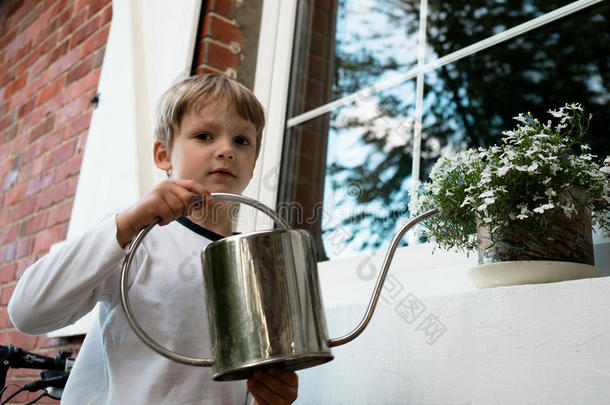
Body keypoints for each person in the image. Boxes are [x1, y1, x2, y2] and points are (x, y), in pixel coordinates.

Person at [8, 74, 299, 405]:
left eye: (242, 141)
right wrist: (127, 223)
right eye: (204, 136)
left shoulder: (255, 264)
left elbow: (243, 382)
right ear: (163, 155)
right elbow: (28, 313)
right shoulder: (134, 239)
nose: (226, 150)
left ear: (254, 164)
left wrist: (269, 399)